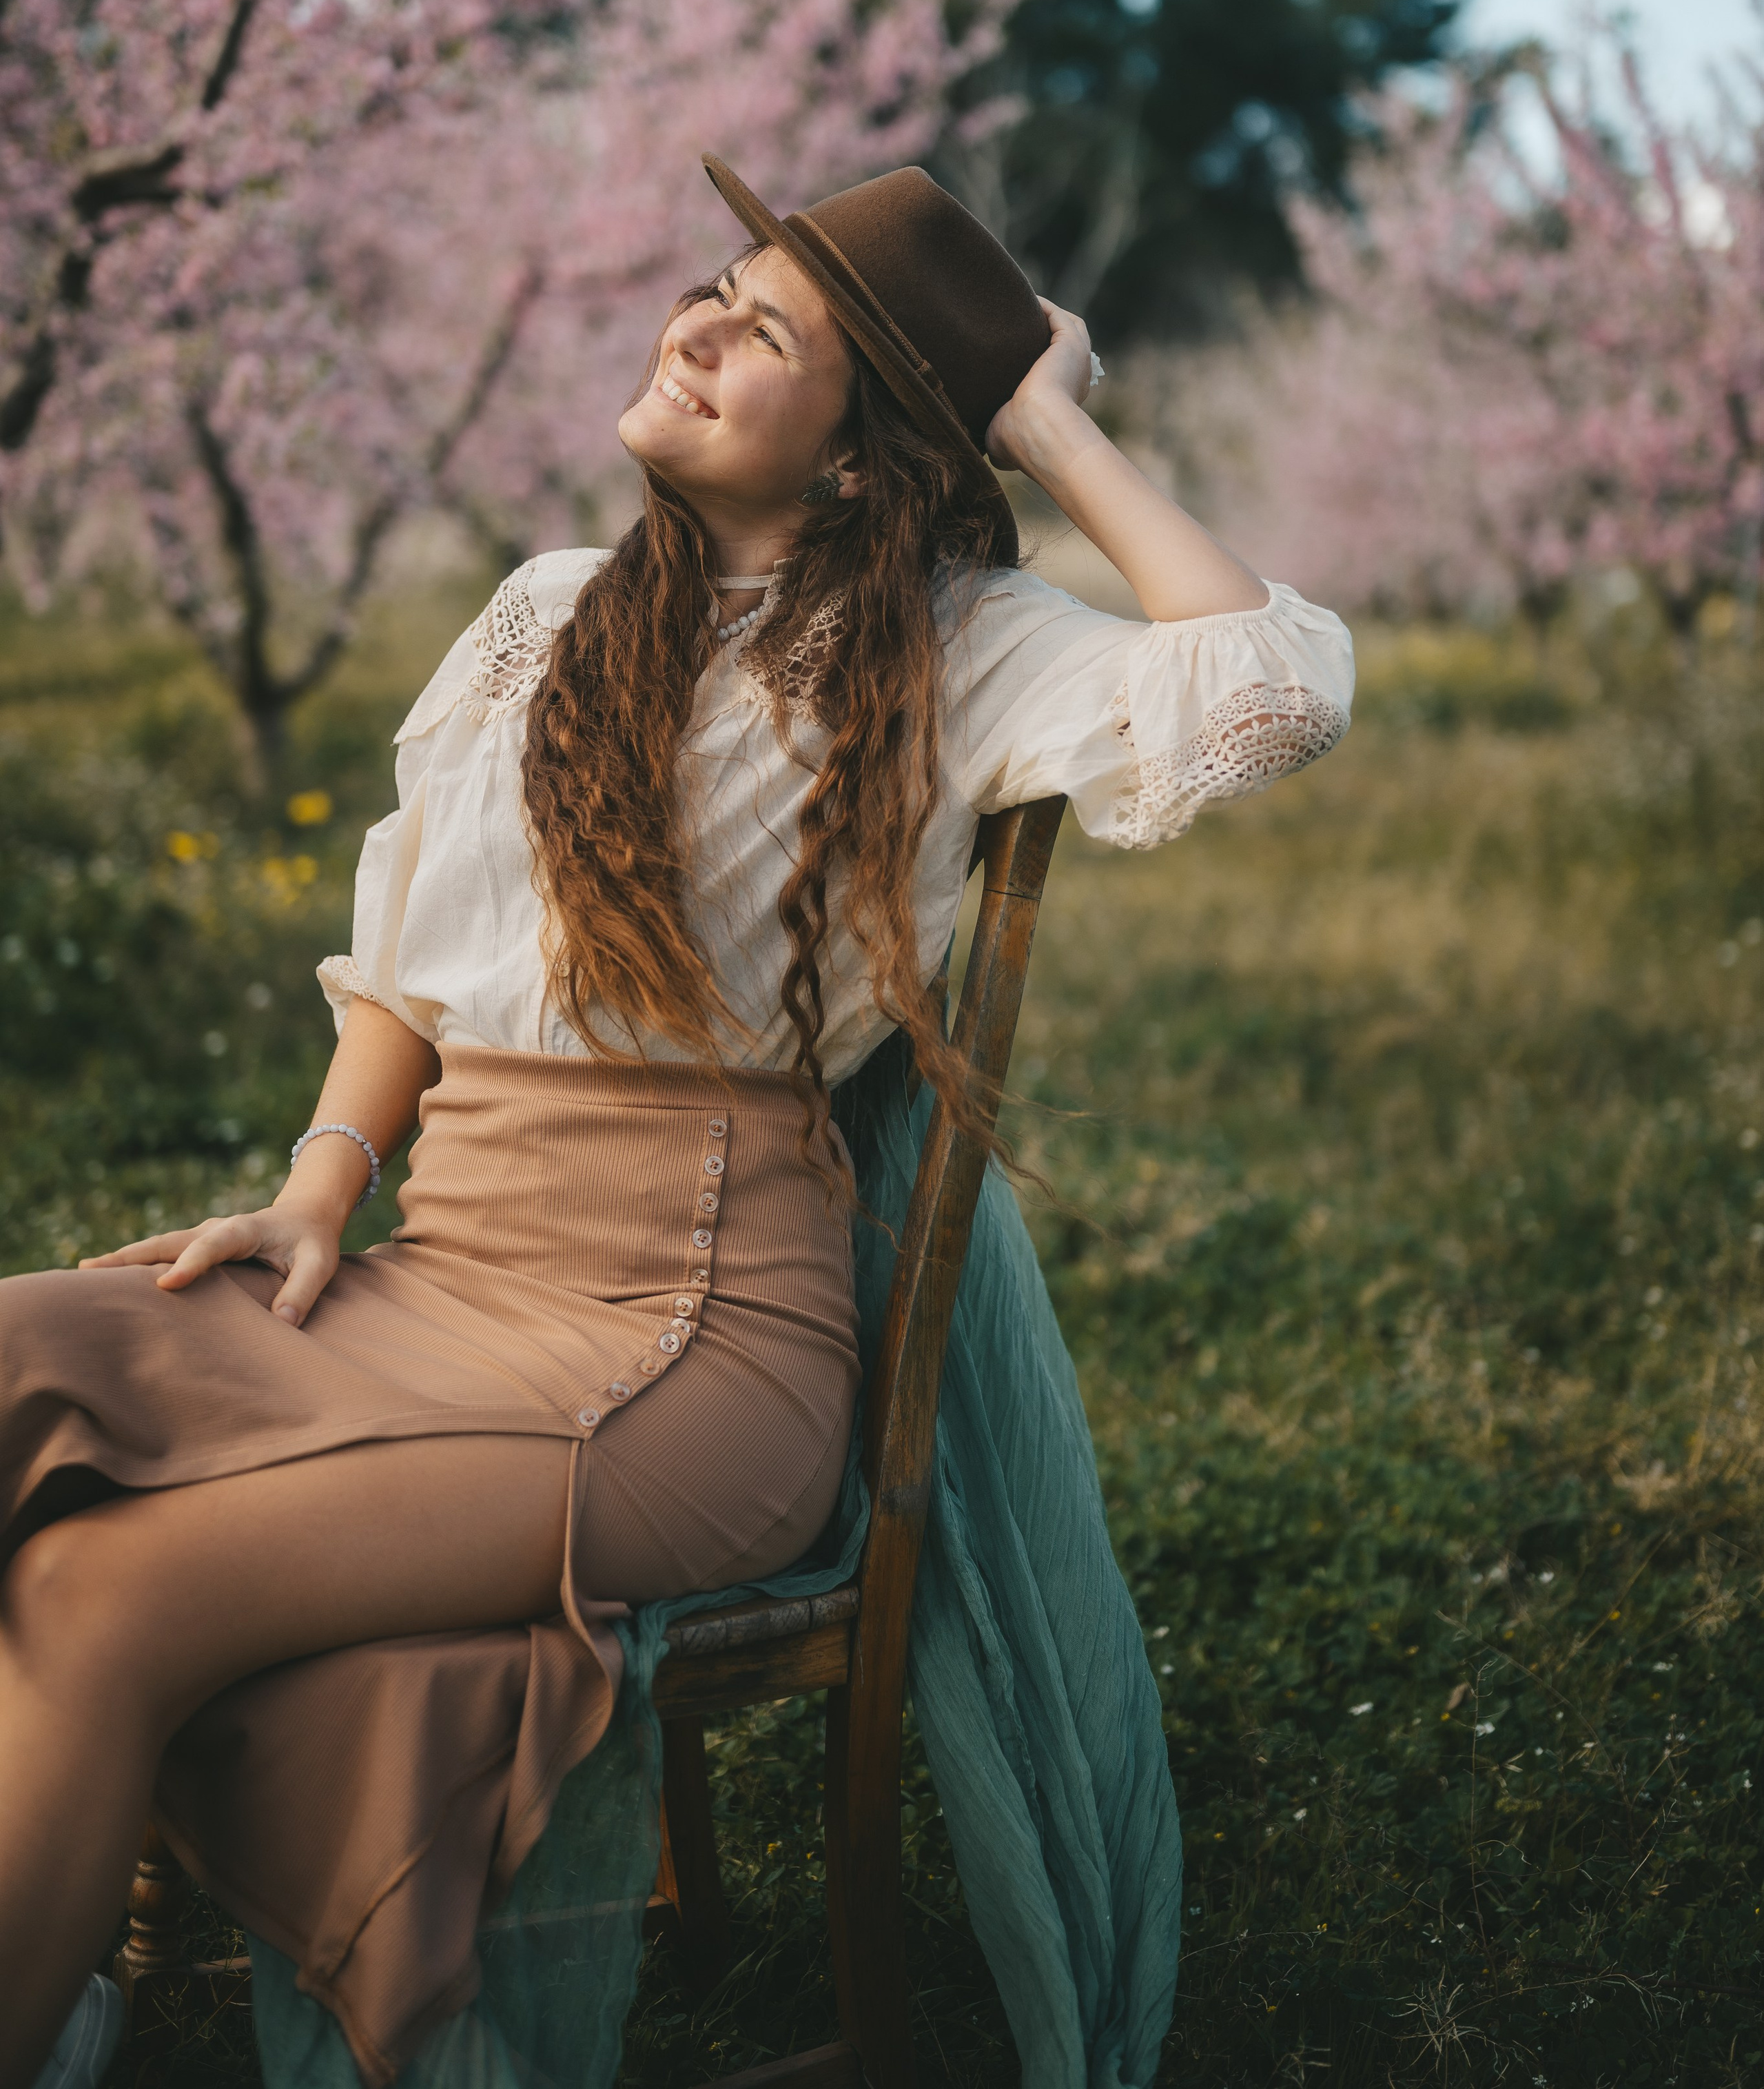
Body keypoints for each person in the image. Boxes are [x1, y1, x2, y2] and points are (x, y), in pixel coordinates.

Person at [0, 156, 1354, 2089]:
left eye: (766, 329)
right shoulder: (547, 615)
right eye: (709, 288)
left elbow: (1269, 700)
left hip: (687, 1343)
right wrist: (322, 1191)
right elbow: (408, 962)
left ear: (875, 456)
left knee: (99, 1588)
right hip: (438, 1265)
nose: (695, 325)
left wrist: (1043, 415)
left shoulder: (956, 646)